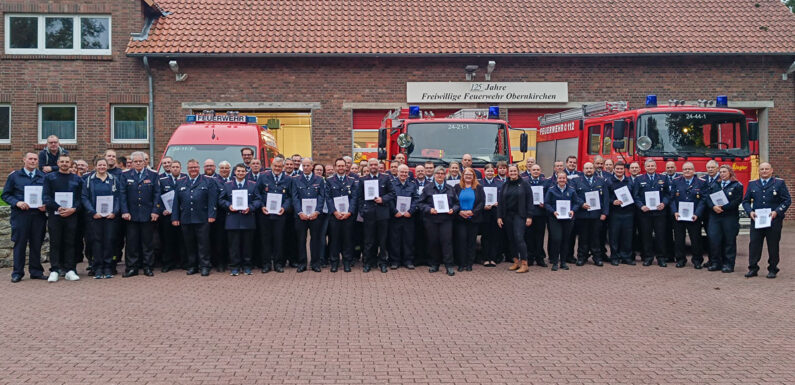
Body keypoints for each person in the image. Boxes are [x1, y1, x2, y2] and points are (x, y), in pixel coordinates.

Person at [3, 153, 48, 282]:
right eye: (30, 159)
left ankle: (36, 271)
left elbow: (48, 194)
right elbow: (5, 195)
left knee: (36, 243)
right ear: (24, 160)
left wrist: (45, 205)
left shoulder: (43, 177)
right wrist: (17, 202)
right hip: (20, 215)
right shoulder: (14, 176)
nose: (33, 161)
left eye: (35, 159)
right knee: (20, 243)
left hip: (38, 215)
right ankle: (17, 272)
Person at [742, 162, 791, 279]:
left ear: (771, 170)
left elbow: (787, 200)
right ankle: (753, 268)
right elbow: (746, 201)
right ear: (759, 171)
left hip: (773, 221)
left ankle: (773, 269)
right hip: (757, 220)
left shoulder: (779, 183)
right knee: (754, 245)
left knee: (773, 245)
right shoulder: (753, 184)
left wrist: (777, 212)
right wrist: (750, 212)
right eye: (762, 169)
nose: (764, 171)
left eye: (766, 169)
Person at [172, 159, 218, 276]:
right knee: (189, 244)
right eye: (191, 168)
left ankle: (204, 266)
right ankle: (192, 266)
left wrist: (211, 215)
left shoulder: (208, 181)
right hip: (186, 218)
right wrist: (175, 218)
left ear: (199, 168)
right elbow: (176, 202)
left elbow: (212, 200)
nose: (193, 170)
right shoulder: (181, 182)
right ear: (187, 169)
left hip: (202, 218)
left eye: (195, 167)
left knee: (203, 244)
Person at [42, 155, 83, 282]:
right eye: (62, 162)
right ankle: (54, 269)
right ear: (58, 163)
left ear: (70, 163)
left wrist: (74, 208)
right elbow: (46, 196)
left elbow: (81, 198)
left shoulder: (77, 179)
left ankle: (70, 269)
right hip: (55, 215)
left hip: (71, 215)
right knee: (55, 242)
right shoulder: (50, 178)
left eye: (67, 162)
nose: (64, 164)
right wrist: (58, 207)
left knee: (70, 242)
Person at [119, 152, 160, 278]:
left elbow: (157, 195)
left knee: (148, 243)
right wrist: (125, 211)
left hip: (147, 214)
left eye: (140, 161)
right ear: (131, 163)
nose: (138, 163)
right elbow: (122, 194)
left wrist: (155, 211)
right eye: (135, 161)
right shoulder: (125, 175)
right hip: (131, 215)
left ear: (144, 162)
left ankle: (148, 267)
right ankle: (132, 268)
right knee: (132, 243)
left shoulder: (153, 175)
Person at [81, 158, 121, 279]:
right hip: (95, 217)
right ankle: (97, 267)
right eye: (100, 165)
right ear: (95, 166)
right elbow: (84, 197)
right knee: (96, 241)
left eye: (104, 165)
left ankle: (108, 267)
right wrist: (92, 212)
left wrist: (114, 212)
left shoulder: (114, 180)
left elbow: (119, 197)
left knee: (109, 241)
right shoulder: (89, 180)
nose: (102, 167)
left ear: (107, 166)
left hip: (110, 217)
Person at [221, 164, 261, 276]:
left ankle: (247, 267)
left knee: (247, 246)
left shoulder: (253, 185)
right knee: (234, 246)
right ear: (234, 172)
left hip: (247, 219)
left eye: (243, 171)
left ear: (246, 173)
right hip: (233, 220)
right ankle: (235, 267)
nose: (240, 173)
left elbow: (258, 200)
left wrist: (251, 208)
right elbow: (221, 200)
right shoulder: (227, 185)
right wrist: (229, 206)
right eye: (238, 171)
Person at [357, 158, 396, 273]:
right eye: (371, 165)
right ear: (368, 167)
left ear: (378, 166)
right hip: (368, 214)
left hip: (382, 214)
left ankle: (382, 262)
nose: (373, 166)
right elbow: (359, 197)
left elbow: (392, 193)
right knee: (369, 240)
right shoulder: (363, 179)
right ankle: (368, 262)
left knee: (382, 240)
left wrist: (382, 199)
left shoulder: (385, 178)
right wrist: (362, 211)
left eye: (375, 164)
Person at [418, 166, 459, 276]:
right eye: (438, 173)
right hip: (432, 220)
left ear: (445, 175)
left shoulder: (450, 188)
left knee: (447, 243)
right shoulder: (427, 188)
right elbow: (420, 203)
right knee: (433, 242)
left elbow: (457, 204)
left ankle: (449, 265)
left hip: (446, 220)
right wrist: (429, 209)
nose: (440, 175)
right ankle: (434, 264)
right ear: (434, 175)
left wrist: (453, 209)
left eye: (442, 173)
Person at [257, 156, 293, 273]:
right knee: (265, 240)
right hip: (265, 214)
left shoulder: (288, 179)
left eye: (280, 166)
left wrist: (284, 207)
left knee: (279, 240)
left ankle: (278, 264)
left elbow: (289, 197)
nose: (277, 168)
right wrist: (262, 206)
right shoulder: (263, 177)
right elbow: (257, 194)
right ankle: (266, 264)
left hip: (280, 214)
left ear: (283, 167)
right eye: (275, 166)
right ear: (272, 166)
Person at [705, 165, 743, 273]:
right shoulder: (714, 184)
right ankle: (716, 262)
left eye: (724, 172)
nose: (722, 174)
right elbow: (707, 198)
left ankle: (728, 264)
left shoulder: (737, 185)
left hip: (729, 217)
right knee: (714, 240)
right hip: (715, 216)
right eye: (720, 172)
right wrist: (713, 206)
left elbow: (737, 200)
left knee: (729, 241)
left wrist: (723, 207)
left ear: (730, 173)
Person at [633, 159, 670, 267]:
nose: (650, 167)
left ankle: (661, 258)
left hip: (659, 212)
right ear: (645, 167)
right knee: (646, 236)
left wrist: (664, 203)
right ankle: (648, 257)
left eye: (652, 165)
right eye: (648, 166)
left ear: (655, 167)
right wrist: (641, 206)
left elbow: (668, 194)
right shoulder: (639, 179)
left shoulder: (663, 178)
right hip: (645, 213)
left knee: (660, 236)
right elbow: (636, 196)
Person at [669, 162, 706, 268]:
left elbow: (703, 200)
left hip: (694, 216)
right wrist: (674, 211)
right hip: (679, 216)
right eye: (685, 169)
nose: (687, 171)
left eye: (689, 169)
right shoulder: (676, 182)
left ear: (694, 170)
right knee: (679, 239)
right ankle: (680, 259)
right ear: (682, 170)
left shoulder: (700, 182)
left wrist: (697, 213)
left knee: (695, 239)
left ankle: (697, 260)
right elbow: (672, 198)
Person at [292, 158, 326, 272]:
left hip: (315, 215)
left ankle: (315, 263)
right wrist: (299, 212)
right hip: (301, 215)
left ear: (312, 166)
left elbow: (322, 196)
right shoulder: (296, 179)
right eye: (304, 165)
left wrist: (317, 211)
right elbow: (295, 197)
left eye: (308, 165)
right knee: (301, 239)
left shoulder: (319, 179)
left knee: (315, 239)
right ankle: (302, 263)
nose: (306, 167)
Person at [497, 164, 532, 273]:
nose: (512, 173)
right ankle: (516, 262)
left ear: (518, 172)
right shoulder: (505, 185)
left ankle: (525, 263)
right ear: (508, 172)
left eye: (514, 171)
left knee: (519, 238)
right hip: (507, 216)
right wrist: (499, 216)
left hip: (520, 215)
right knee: (511, 239)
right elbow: (500, 202)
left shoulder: (524, 184)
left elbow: (530, 201)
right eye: (510, 171)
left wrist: (529, 216)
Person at [326, 158, 359, 272]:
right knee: (334, 239)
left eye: (342, 166)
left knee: (347, 240)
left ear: (346, 167)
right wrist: (335, 212)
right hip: (335, 216)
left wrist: (349, 212)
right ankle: (334, 262)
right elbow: (328, 198)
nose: (340, 168)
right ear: (335, 167)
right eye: (338, 166)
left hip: (347, 216)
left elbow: (354, 198)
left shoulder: (351, 181)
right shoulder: (329, 181)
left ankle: (347, 262)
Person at [573, 162, 608, 266]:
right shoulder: (576, 181)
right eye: (586, 168)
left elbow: (605, 198)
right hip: (582, 214)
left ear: (594, 169)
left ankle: (597, 257)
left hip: (596, 215)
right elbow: (574, 196)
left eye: (590, 168)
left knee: (596, 237)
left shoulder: (601, 181)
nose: (589, 170)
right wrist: (581, 204)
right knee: (583, 237)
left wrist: (604, 213)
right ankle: (581, 257)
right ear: (583, 169)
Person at [545, 171, 579, 271]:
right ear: (557, 179)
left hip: (568, 219)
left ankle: (563, 262)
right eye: (560, 178)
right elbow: (547, 203)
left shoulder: (572, 190)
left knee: (565, 240)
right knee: (557, 239)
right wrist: (553, 211)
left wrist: (573, 210)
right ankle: (555, 262)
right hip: (555, 219)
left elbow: (576, 203)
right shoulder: (551, 190)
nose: (562, 180)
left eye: (564, 178)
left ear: (566, 179)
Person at [454, 167, 485, 271]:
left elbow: (481, 202)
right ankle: (461, 263)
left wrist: (473, 212)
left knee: (472, 242)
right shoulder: (457, 187)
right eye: (466, 174)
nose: (468, 176)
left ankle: (469, 264)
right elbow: (453, 201)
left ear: (474, 177)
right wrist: (459, 211)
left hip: (473, 218)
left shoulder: (479, 188)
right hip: (460, 219)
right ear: (463, 176)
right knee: (461, 241)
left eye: (470, 175)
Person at [390, 164, 419, 269]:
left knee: (408, 239)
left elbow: (416, 199)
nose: (403, 174)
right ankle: (395, 261)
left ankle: (408, 260)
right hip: (396, 216)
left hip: (408, 217)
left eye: (405, 172)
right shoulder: (392, 184)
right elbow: (390, 199)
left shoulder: (412, 185)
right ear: (397, 172)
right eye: (401, 172)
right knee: (395, 239)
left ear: (408, 174)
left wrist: (411, 211)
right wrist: (394, 211)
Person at [158, 160, 185, 272]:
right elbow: (158, 196)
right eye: (173, 167)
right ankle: (168, 263)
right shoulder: (163, 181)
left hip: (182, 215)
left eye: (177, 167)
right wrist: (162, 210)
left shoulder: (185, 179)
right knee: (167, 240)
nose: (174, 168)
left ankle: (183, 262)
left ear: (180, 168)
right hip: (167, 216)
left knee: (182, 240)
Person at [606, 161, 635, 265]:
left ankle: (626, 257)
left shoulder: (630, 181)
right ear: (614, 170)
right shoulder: (609, 181)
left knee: (627, 236)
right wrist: (613, 201)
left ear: (624, 170)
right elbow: (606, 197)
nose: (619, 171)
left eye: (621, 169)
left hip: (628, 213)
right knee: (614, 236)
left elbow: (635, 195)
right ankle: (614, 256)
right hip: (615, 213)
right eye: (617, 169)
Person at [480, 164, 503, 267]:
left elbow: (503, 198)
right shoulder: (480, 183)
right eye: (488, 171)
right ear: (484, 172)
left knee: (495, 236)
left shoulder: (499, 183)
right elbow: (478, 198)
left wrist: (499, 202)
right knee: (485, 236)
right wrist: (483, 205)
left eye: (491, 171)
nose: (490, 173)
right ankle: (485, 258)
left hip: (496, 212)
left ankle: (493, 258)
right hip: (484, 212)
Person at [701, 160, 720, 268]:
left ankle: (718, 260)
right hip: (705, 212)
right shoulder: (703, 179)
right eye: (708, 167)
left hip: (717, 212)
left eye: (712, 167)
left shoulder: (722, 179)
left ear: (717, 168)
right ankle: (711, 259)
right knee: (709, 237)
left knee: (716, 237)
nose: (710, 169)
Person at [313, 163, 331, 267]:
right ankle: (319, 259)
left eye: (321, 170)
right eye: (317, 170)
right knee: (318, 237)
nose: (319, 172)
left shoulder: (326, 182)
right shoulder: (311, 182)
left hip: (326, 212)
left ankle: (324, 258)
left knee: (324, 237)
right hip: (314, 213)